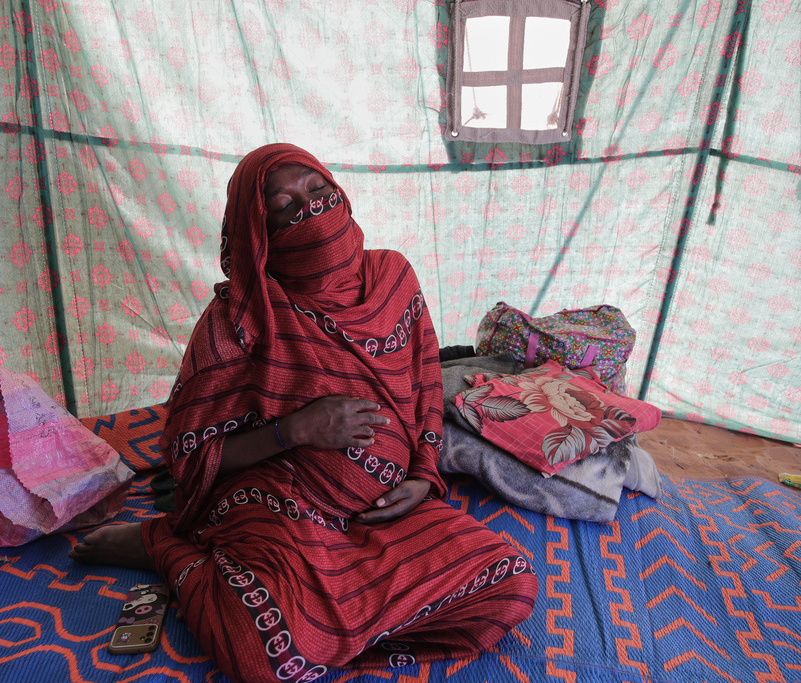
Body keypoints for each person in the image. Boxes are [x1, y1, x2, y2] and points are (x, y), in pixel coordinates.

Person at [71, 143, 537, 682]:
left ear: (339, 192)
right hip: (278, 502)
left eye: (318, 192)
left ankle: (328, 631)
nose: (308, 211)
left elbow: (426, 387)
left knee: (509, 583)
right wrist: (293, 430)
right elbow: (190, 457)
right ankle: (166, 547)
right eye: (282, 204)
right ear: (256, 228)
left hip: (382, 509)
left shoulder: (393, 279)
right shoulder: (239, 316)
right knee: (265, 655)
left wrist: (421, 476)